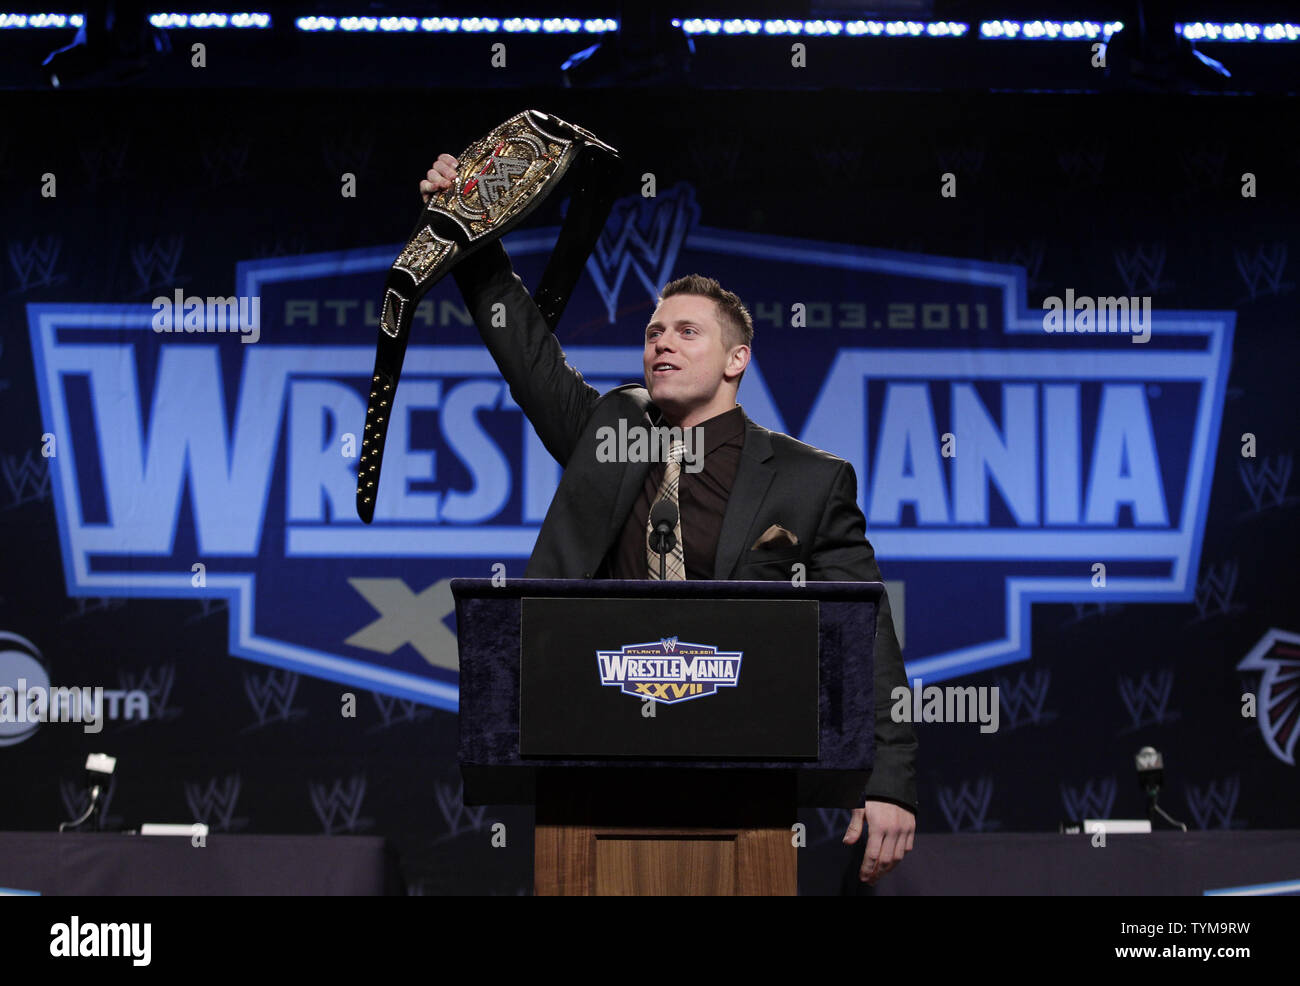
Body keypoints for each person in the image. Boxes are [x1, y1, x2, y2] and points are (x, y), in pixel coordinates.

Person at [422, 153, 916, 886]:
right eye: (654, 332)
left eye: (687, 332)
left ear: (735, 360)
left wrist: (889, 780)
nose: (661, 342)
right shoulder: (606, 434)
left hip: (746, 773)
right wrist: (467, 225)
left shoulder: (812, 481)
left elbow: (866, 631)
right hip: (591, 758)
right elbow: (524, 348)